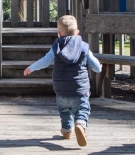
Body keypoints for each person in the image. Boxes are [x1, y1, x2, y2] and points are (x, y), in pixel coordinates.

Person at [23, 15, 102, 147]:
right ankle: (80, 124)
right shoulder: (84, 47)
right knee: (82, 110)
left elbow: (45, 61)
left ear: (59, 34)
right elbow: (96, 66)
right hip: (80, 90)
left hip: (61, 91)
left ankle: (66, 130)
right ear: (77, 32)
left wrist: (31, 68)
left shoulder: (56, 47)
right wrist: (98, 68)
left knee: (64, 112)